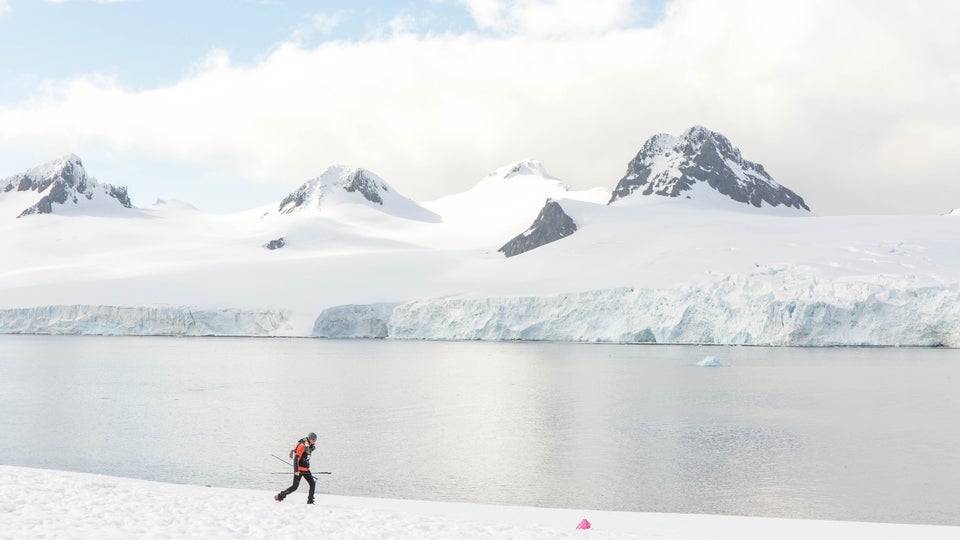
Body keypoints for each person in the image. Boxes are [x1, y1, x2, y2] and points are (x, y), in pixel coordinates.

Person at [275, 432, 318, 504]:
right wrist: (296, 470)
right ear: (310, 439)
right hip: (299, 469)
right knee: (294, 487)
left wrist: (312, 447)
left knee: (312, 483)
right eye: (313, 440)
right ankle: (280, 496)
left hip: (306, 470)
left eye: (315, 440)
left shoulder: (310, 445)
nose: (314, 441)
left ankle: (310, 501)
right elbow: (296, 459)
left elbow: (308, 453)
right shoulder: (302, 446)